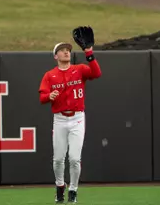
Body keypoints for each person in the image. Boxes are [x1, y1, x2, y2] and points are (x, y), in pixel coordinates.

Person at [38, 41, 102, 203]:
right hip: (59, 119)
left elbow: (96, 73)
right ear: (55, 56)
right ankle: (60, 186)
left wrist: (89, 53)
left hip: (77, 118)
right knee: (58, 159)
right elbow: (42, 97)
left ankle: (73, 189)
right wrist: (48, 96)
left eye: (67, 50)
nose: (66, 52)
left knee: (74, 158)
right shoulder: (49, 75)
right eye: (62, 51)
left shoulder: (79, 69)